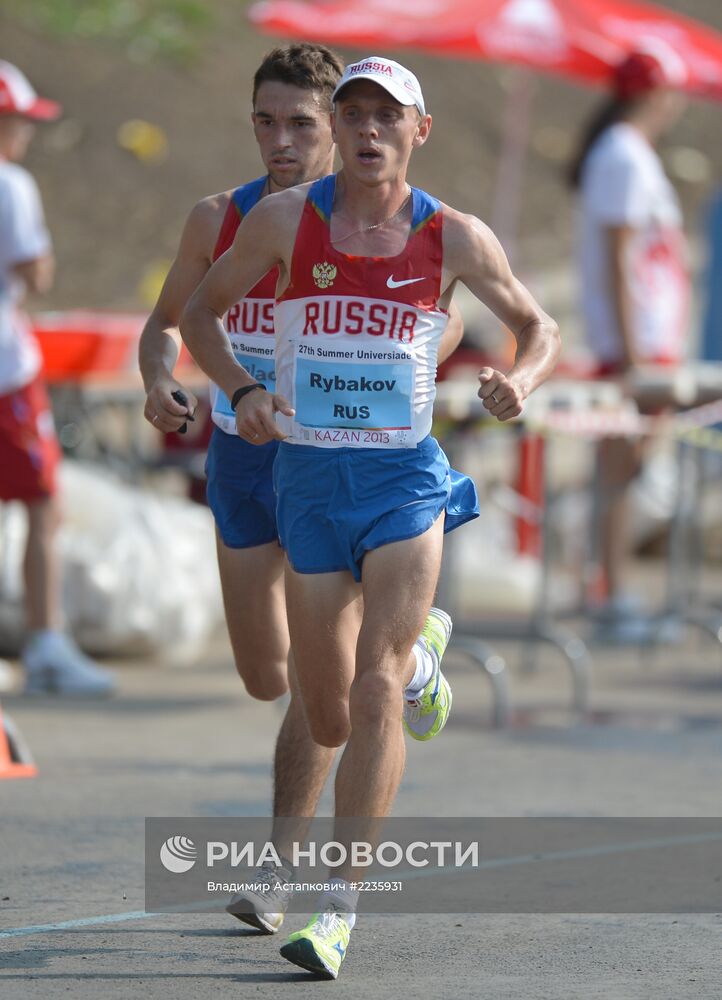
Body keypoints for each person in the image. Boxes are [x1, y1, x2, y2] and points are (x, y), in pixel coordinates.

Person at [181, 55, 560, 979]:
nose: (367, 129)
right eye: (353, 113)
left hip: (402, 484)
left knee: (374, 689)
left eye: (387, 116)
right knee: (323, 712)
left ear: (417, 131)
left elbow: (536, 324)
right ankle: (429, 654)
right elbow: (200, 314)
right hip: (306, 486)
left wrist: (522, 381)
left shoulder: (455, 236)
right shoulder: (281, 221)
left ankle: (337, 909)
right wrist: (242, 388)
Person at [139, 44, 465, 935]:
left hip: (346, 454)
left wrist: (404, 361)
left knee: (358, 680)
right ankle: (411, 668)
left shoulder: (383, 218)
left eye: (301, 125)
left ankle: (294, 876)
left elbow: (446, 299)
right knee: (270, 676)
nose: (281, 142)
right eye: (264, 123)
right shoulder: (228, 217)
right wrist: (162, 382)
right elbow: (170, 320)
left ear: (339, 128)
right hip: (249, 449)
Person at [0, 60, 114, 696]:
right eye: (17, 122)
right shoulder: (11, 184)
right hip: (5, 372)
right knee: (42, 503)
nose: (24, 134)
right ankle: (45, 639)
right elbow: (36, 271)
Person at [569, 44, 690, 638]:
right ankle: (607, 593)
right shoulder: (622, 154)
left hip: (644, 339)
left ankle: (602, 585)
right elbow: (620, 259)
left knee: (627, 471)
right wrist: (634, 354)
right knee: (622, 471)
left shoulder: (627, 152)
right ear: (653, 94)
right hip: (633, 344)